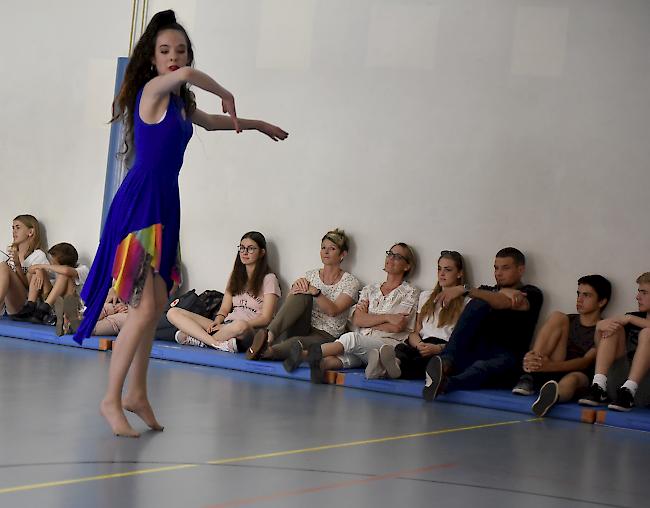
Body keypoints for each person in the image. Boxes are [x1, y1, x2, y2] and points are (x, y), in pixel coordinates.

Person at [73, 10, 288, 437]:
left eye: (181, 51)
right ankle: (111, 399)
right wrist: (224, 89)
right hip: (138, 210)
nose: (175, 58)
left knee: (151, 309)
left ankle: (137, 393)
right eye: (165, 51)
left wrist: (258, 125)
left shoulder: (180, 106)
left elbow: (211, 122)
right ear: (152, 60)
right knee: (140, 311)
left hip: (164, 209)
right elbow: (188, 74)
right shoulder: (151, 91)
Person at [422, 247, 543, 401]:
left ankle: (445, 384)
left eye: (505, 268)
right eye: (496, 268)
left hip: (508, 358)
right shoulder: (486, 290)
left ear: (521, 270)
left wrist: (464, 289)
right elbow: (493, 297)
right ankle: (444, 363)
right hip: (476, 352)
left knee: (482, 367)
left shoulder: (531, 293)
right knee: (478, 303)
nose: (498, 273)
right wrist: (500, 292)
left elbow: (502, 302)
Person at [247, 229, 360, 371]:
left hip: (326, 335)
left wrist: (316, 292)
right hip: (303, 325)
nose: (326, 252)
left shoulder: (351, 282)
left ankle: (267, 352)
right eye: (323, 248)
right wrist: (295, 289)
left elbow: (333, 311)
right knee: (301, 291)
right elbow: (292, 303)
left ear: (342, 254)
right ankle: (268, 336)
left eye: (332, 248)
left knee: (296, 342)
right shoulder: (311, 275)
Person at [306, 243, 418, 383]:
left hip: (387, 345)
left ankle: (305, 354)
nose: (391, 258)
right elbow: (358, 320)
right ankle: (320, 368)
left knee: (351, 339)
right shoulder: (370, 289)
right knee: (336, 358)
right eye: (390, 253)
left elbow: (397, 327)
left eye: (397, 256)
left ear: (407, 266)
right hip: (364, 343)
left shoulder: (410, 292)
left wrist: (368, 320)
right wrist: (388, 317)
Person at [511, 275, 611, 417]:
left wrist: (548, 367)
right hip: (553, 364)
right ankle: (529, 374)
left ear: (601, 302)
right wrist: (534, 359)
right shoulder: (566, 320)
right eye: (578, 294)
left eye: (587, 295)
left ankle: (552, 396)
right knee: (558, 316)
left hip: (579, 374)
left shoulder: (602, 327)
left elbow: (585, 362)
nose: (579, 299)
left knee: (573, 379)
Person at [167, 231, 280, 352]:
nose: (245, 252)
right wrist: (217, 321)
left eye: (251, 248)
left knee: (240, 325)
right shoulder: (235, 276)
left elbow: (266, 318)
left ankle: (199, 339)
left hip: (248, 330)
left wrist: (230, 326)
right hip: (225, 325)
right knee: (173, 312)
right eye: (242, 248)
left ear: (262, 252)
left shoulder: (269, 279)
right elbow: (225, 308)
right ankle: (214, 343)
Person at [366, 250, 469, 380]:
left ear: (459, 273)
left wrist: (438, 348)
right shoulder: (426, 296)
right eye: (439, 269)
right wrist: (419, 344)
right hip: (423, 343)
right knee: (402, 349)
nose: (441, 274)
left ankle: (383, 370)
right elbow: (415, 332)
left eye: (448, 270)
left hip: (444, 347)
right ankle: (392, 365)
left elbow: (462, 340)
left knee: (429, 362)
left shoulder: (467, 302)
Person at [579, 272, 650, 411]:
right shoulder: (633, 316)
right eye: (638, 292)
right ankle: (599, 387)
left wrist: (630, 319)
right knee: (613, 327)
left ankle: (629, 390)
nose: (637, 297)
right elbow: (601, 348)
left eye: (644, 292)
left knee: (647, 333)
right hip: (617, 389)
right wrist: (598, 329)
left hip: (644, 389)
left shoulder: (631, 318)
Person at [12, 242, 89, 325]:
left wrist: (44, 266)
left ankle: (44, 309)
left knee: (64, 276)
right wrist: (39, 270)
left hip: (71, 307)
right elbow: (30, 269)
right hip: (55, 305)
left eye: (53, 262)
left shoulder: (83, 269)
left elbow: (66, 270)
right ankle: (30, 306)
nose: (51, 263)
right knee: (39, 272)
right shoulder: (55, 268)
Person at [0, 215, 48, 316]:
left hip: (24, 303)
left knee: (4, 266)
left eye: (18, 227)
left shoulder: (38, 255)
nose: (14, 231)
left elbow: (30, 285)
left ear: (30, 232)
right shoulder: (9, 252)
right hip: (6, 304)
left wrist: (17, 265)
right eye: (13, 228)